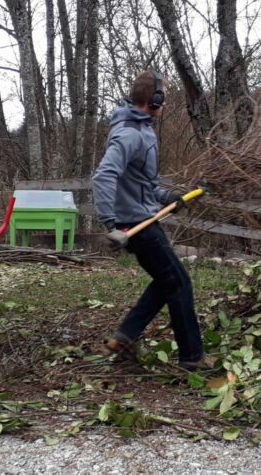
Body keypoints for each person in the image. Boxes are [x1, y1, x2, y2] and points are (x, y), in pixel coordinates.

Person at [91, 71, 214, 371]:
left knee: (167, 280)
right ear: (154, 99)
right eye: (165, 95)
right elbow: (103, 176)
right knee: (179, 282)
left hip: (142, 217)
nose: (167, 101)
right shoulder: (130, 133)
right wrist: (111, 223)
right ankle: (192, 358)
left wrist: (168, 197)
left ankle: (124, 337)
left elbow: (143, 184)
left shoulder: (140, 129)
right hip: (136, 225)